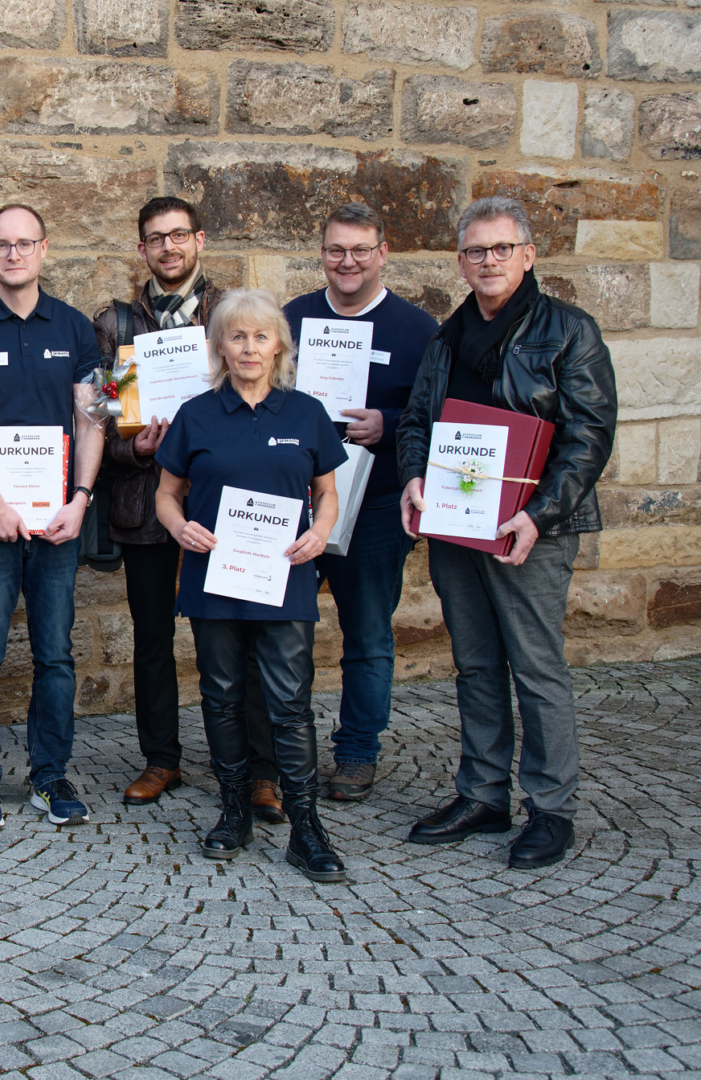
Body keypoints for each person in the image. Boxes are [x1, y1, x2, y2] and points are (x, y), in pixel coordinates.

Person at [399, 196, 616, 869]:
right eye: (476, 251)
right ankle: (483, 794)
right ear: (460, 261)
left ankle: (551, 808)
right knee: (476, 663)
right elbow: (417, 422)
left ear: (528, 255)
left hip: (531, 529)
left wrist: (538, 514)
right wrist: (413, 477)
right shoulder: (447, 337)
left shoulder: (569, 332)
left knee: (536, 665)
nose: (488, 261)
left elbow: (589, 437)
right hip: (457, 523)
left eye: (501, 248)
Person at [154, 287, 348, 882]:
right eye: (237, 336)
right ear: (219, 346)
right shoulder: (196, 414)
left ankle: (305, 824)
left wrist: (321, 533)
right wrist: (180, 528)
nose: (249, 347)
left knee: (290, 703)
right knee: (222, 697)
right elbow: (166, 495)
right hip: (214, 578)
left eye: (261, 336)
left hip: (284, 577)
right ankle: (235, 809)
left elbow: (327, 494)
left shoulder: (306, 412)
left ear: (279, 346)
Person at [0, 203, 104, 830]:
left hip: (58, 520)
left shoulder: (76, 328)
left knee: (54, 654)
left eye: (24, 243)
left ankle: (50, 774)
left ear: (44, 248)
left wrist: (80, 498)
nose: (13, 254)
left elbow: (93, 420)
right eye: (1, 244)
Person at [282, 204, 440, 801]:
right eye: (335, 250)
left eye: (360, 250)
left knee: (367, 634)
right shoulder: (293, 317)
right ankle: (281, 749)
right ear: (322, 253)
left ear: (382, 253)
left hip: (374, 503)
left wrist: (389, 423)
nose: (347, 262)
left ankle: (356, 752)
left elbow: (437, 414)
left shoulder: (417, 329)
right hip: (295, 502)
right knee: (282, 631)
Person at [91, 196, 228, 810]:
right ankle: (161, 759)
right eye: (155, 238)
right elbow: (101, 420)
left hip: (221, 503)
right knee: (152, 638)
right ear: (142, 248)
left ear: (199, 240)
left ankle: (252, 767)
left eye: (178, 235)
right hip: (145, 503)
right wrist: (134, 446)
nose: (167, 247)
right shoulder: (115, 327)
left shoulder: (233, 313)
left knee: (233, 637)